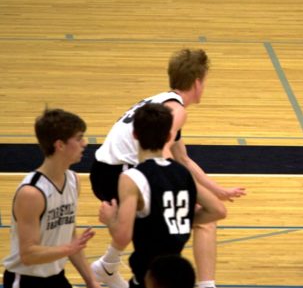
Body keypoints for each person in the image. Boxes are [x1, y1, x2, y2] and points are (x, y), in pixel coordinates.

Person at [89, 48, 245, 288]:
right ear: (197, 82)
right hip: (121, 172)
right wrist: (175, 185)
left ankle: (109, 266)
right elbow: (161, 151)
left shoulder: (162, 101)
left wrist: (217, 189)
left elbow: (182, 159)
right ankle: (206, 285)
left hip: (105, 170)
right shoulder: (177, 110)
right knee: (199, 218)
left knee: (175, 219)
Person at [98, 103, 225, 288]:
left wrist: (110, 219)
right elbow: (218, 210)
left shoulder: (133, 177)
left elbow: (122, 236)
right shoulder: (182, 173)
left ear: (134, 135)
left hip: (149, 276)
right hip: (177, 274)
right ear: (168, 137)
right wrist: (182, 220)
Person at [2, 109, 100, 288]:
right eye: (78, 138)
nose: (84, 143)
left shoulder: (73, 180)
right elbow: (29, 254)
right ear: (60, 145)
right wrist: (68, 248)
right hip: (25, 280)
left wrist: (91, 280)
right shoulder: (32, 193)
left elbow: (70, 236)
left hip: (56, 277)